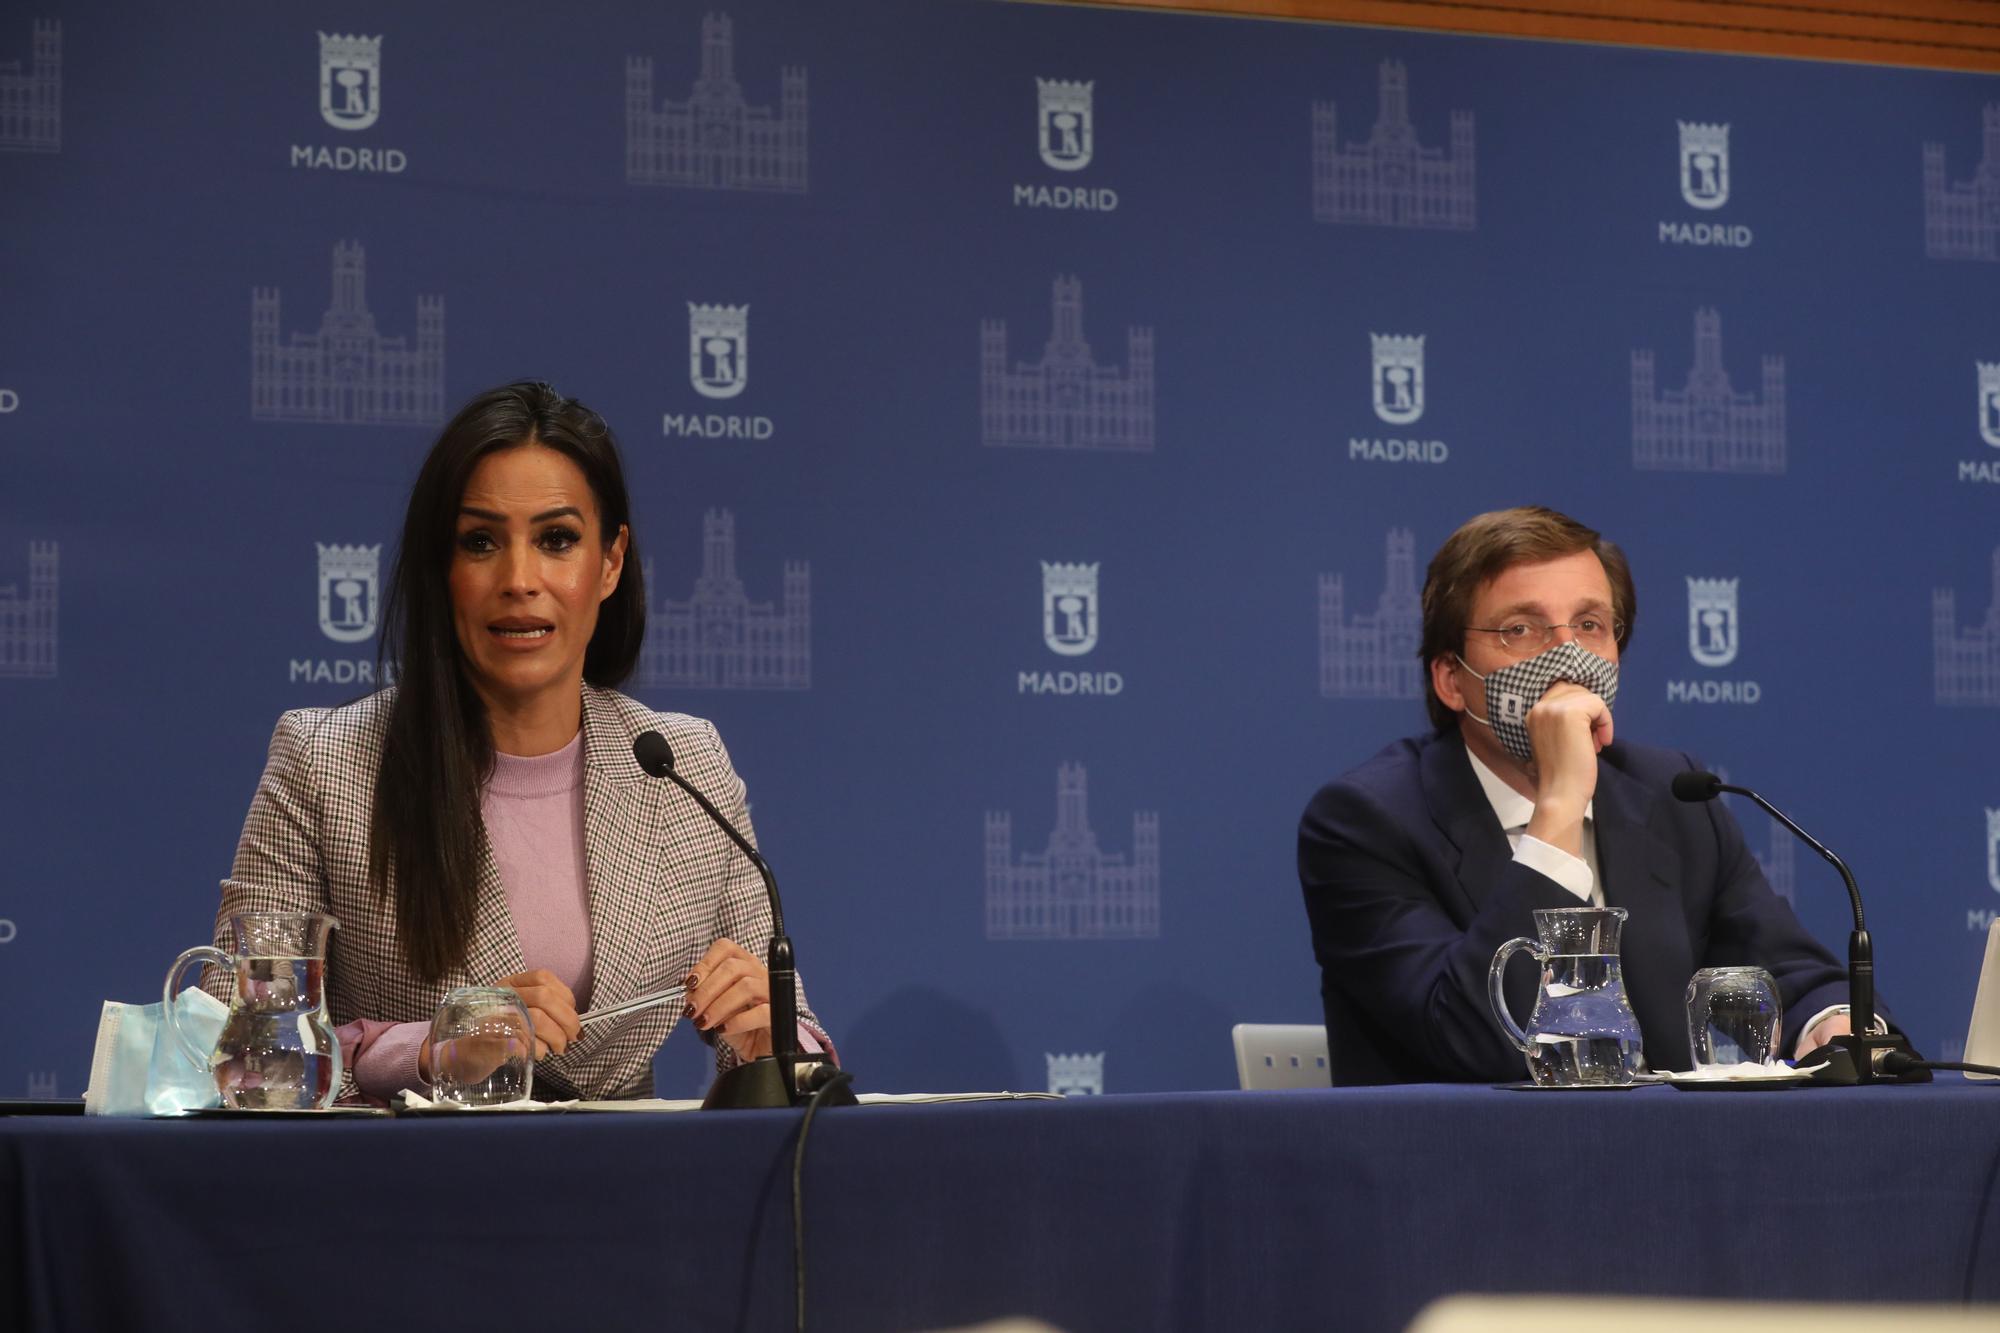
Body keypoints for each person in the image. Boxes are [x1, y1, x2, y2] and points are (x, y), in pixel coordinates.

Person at [206, 381, 833, 1101]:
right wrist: (432, 1047)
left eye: (557, 539)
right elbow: (243, 1050)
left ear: (610, 562)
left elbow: (796, 1042)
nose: (519, 579)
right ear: (442, 572)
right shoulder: (324, 762)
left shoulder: (685, 762)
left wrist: (773, 1040)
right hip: (402, 1199)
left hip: (638, 1201)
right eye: (480, 542)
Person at [1297, 506, 1864, 1084]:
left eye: (1590, 625)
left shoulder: (1670, 794)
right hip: (1465, 1162)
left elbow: (1794, 971)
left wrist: (1833, 1024)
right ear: (1451, 678)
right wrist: (1561, 804)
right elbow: (1471, 1038)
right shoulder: (1366, 821)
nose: (1567, 659)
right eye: (1521, 629)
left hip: (1671, 1160)